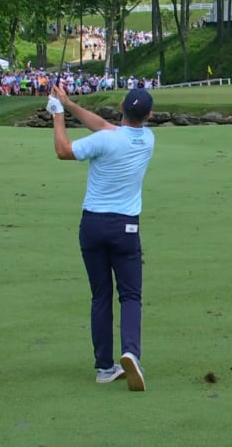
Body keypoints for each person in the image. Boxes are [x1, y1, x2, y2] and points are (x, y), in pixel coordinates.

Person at [47, 82, 156, 392]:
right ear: (149, 114)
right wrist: (68, 104)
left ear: (121, 106)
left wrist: (57, 114)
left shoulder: (105, 141)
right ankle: (131, 352)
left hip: (92, 225)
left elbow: (63, 151)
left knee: (101, 296)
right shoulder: (147, 139)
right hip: (126, 228)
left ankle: (104, 367)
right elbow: (108, 128)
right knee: (130, 296)